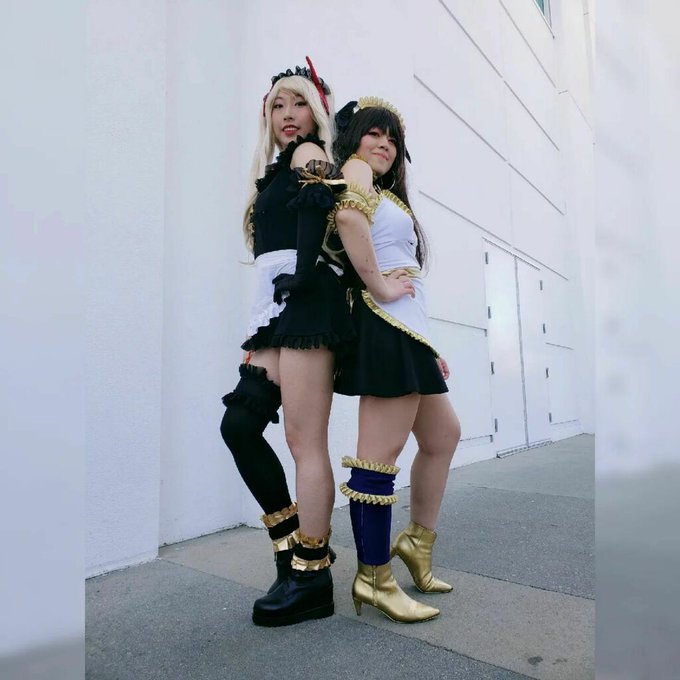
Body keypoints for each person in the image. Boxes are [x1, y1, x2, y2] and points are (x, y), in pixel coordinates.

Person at [218, 59, 386, 627]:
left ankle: (311, 575)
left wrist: (307, 266)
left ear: (315, 112)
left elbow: (321, 200)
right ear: (266, 115)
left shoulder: (307, 153)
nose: (288, 115)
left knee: (303, 442)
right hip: (279, 312)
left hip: (308, 304)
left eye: (299, 104)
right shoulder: (276, 166)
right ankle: (290, 548)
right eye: (278, 105)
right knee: (239, 424)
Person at [329, 97, 462, 623]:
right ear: (355, 138)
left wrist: (428, 345)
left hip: (408, 331)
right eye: (374, 133)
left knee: (443, 435)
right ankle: (373, 577)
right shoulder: (356, 170)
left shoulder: (386, 193)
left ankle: (416, 544)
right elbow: (346, 215)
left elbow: (405, 272)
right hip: (385, 328)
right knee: (377, 458)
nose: (383, 145)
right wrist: (381, 287)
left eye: (392, 140)